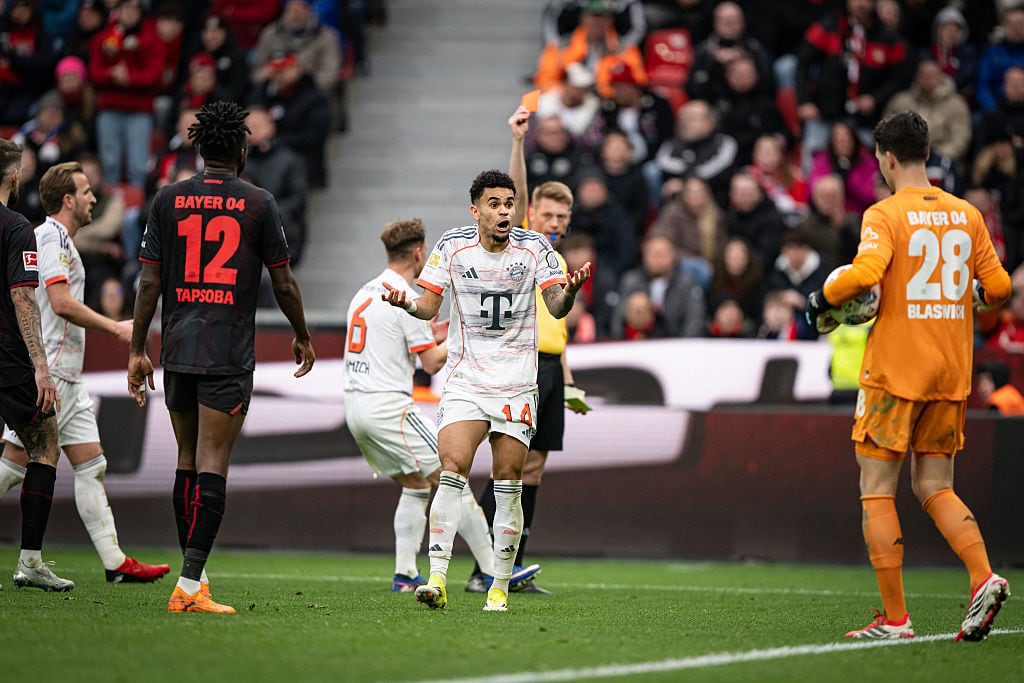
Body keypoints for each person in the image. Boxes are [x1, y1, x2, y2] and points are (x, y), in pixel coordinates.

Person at [805, 111, 1013, 641]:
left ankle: (897, 620)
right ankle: (983, 576)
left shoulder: (884, 213)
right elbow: (1001, 289)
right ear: (926, 152)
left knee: (877, 489)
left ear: (886, 157)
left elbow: (867, 275)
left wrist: (822, 300)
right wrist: (973, 298)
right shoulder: (966, 214)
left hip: (896, 372)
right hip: (950, 371)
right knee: (935, 485)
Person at [381, 106, 591, 613]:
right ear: (475, 209)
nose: (503, 210)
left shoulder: (535, 249)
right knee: (452, 467)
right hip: (467, 379)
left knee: (509, 482)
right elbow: (430, 305)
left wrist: (571, 291)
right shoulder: (452, 247)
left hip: (518, 382)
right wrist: (408, 302)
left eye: (509, 203)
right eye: (493, 203)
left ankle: (498, 582)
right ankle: (435, 578)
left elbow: (556, 306)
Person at [127, 101, 316, 614]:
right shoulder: (258, 202)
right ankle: (189, 587)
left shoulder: (167, 199)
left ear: (198, 147)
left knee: (185, 462)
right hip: (227, 350)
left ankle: (197, 579)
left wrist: (137, 347)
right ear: (241, 149)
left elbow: (148, 283)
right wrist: (302, 334)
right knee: (214, 464)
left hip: (178, 346)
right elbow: (283, 281)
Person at [0, 161, 170, 584]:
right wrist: (116, 326)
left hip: (68, 375)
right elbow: (58, 302)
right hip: (49, 372)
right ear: (68, 199)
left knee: (91, 465)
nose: (95, 197)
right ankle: (34, 563)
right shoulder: (51, 235)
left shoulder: (64, 242)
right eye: (87, 191)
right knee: (14, 466)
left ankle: (115, 561)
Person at [342, 218, 500, 593]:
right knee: (453, 477)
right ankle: (494, 570)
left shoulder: (367, 291)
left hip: (356, 408)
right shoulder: (404, 297)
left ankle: (404, 574)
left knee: (416, 484)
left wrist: (442, 328)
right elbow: (431, 363)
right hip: (390, 409)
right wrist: (465, 331)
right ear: (418, 252)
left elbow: (403, 337)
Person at [465, 179, 590, 596]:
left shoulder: (552, 259)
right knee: (510, 467)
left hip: (552, 368)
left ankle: (512, 564)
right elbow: (514, 184)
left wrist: (568, 382)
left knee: (533, 469)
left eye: (561, 217)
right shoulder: (524, 249)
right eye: (547, 215)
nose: (554, 223)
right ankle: (485, 567)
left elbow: (556, 328)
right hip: (526, 364)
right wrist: (519, 141)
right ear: (529, 215)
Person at [0, 138, 64, 591]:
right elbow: (23, 296)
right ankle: (30, 561)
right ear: (14, 175)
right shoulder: (17, 227)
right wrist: (40, 366)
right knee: (44, 443)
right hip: (6, 358)